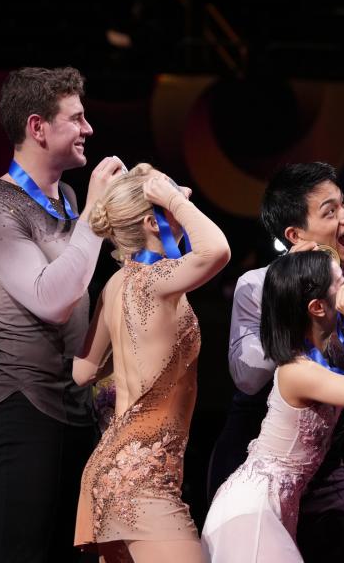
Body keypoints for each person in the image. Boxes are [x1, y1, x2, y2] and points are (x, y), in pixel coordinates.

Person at [206, 162, 344, 562]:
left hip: (327, 460)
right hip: (255, 459)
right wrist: (292, 298)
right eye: (330, 211)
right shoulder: (258, 286)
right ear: (295, 235)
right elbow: (247, 378)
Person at [0, 66, 125, 562]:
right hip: (20, 407)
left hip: (72, 410)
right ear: (38, 127)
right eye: (76, 118)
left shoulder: (68, 198)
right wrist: (96, 215)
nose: (88, 129)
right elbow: (52, 301)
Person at [72, 164, 230, 562]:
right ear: (151, 220)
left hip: (110, 473)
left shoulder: (114, 285)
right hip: (143, 483)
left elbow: (83, 372)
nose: (187, 193)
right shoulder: (158, 279)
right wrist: (170, 198)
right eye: (174, 194)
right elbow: (218, 250)